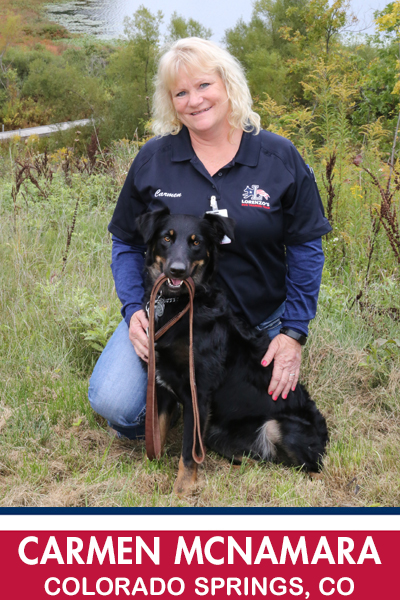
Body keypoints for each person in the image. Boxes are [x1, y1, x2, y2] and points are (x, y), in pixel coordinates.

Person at [88, 37, 331, 439]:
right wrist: (134, 310)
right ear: (171, 102)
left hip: (254, 322)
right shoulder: (154, 159)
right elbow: (127, 244)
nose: (194, 100)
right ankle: (186, 399)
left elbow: (307, 247)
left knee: (242, 415)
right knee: (117, 406)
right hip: (167, 315)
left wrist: (293, 333)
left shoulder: (278, 157)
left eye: (203, 85)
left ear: (227, 83)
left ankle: (202, 403)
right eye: (180, 92)